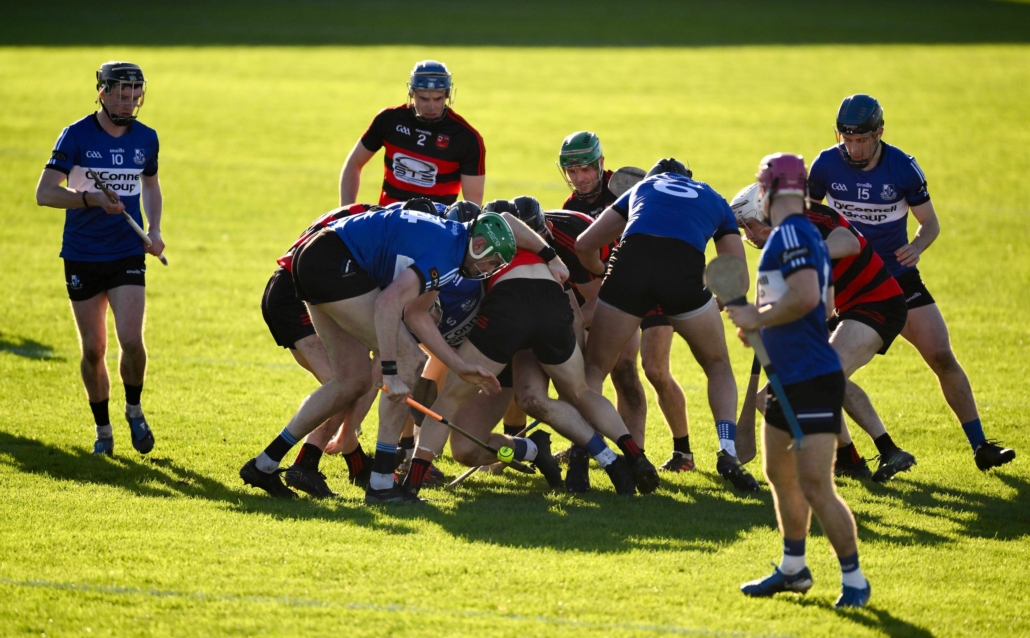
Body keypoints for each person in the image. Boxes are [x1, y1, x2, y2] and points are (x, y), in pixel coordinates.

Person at [240, 206, 527, 504]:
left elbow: (417, 314)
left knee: (352, 380)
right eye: (492, 262)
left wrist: (459, 365)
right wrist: (391, 371)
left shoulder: (452, 243)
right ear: (479, 245)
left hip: (317, 255)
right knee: (410, 360)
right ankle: (381, 484)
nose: (487, 270)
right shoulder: (449, 251)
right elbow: (387, 304)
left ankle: (264, 464)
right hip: (332, 261)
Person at [808, 94, 1015, 472]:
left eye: (861, 139)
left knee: (941, 356)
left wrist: (916, 247)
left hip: (898, 278)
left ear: (879, 133)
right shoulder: (825, 165)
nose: (853, 148)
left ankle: (981, 445)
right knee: (825, 371)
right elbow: (808, 217)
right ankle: (848, 455)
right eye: (847, 139)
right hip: (849, 286)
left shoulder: (903, 168)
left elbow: (930, 223)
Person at [401, 202, 654, 496]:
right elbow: (571, 315)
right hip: (540, 315)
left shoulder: (470, 250)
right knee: (474, 444)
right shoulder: (528, 252)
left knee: (449, 401)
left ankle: (412, 484)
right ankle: (609, 456)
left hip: (508, 315)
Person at [729, 153, 870, 609]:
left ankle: (855, 581)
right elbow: (821, 304)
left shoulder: (789, 233)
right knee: (778, 474)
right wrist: (763, 323)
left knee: (815, 485)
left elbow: (807, 296)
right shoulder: (807, 233)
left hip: (810, 377)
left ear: (767, 191)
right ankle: (794, 569)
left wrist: (758, 316)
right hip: (788, 374)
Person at [575, 158, 759, 492]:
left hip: (631, 266)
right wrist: (712, 304)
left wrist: (603, 271)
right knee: (717, 364)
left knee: (595, 369)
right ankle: (727, 451)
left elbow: (584, 244)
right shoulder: (714, 197)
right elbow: (737, 279)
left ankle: (587, 452)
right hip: (683, 274)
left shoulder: (643, 187)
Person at [732, 183, 917, 483]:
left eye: (749, 225)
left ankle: (890, 451)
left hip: (877, 300)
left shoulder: (808, 216)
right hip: (840, 311)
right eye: (743, 229)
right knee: (768, 397)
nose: (748, 235)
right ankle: (848, 460)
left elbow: (849, 243)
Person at [34, 61, 163, 457]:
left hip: (127, 251)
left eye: (135, 94)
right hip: (82, 253)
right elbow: (44, 193)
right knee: (93, 349)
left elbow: (151, 186)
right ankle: (103, 430)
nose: (129, 102)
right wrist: (90, 199)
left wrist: (155, 229)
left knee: (132, 341)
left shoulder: (147, 138)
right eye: (122, 94)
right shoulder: (76, 135)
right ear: (103, 93)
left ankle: (134, 410)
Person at [557, 132, 693, 475]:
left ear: (600, 163)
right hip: (616, 291)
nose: (580, 178)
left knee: (656, 369)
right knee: (622, 368)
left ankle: (682, 451)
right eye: (572, 171)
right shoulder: (571, 210)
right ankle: (630, 455)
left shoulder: (629, 187)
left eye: (585, 169)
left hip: (655, 286)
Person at [339, 60, 485, 207]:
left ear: (447, 95)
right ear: (412, 93)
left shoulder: (467, 138)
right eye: (424, 99)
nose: (431, 106)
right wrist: (346, 209)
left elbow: (472, 205)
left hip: (436, 220)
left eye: (438, 99)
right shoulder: (389, 120)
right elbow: (354, 162)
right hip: (389, 217)